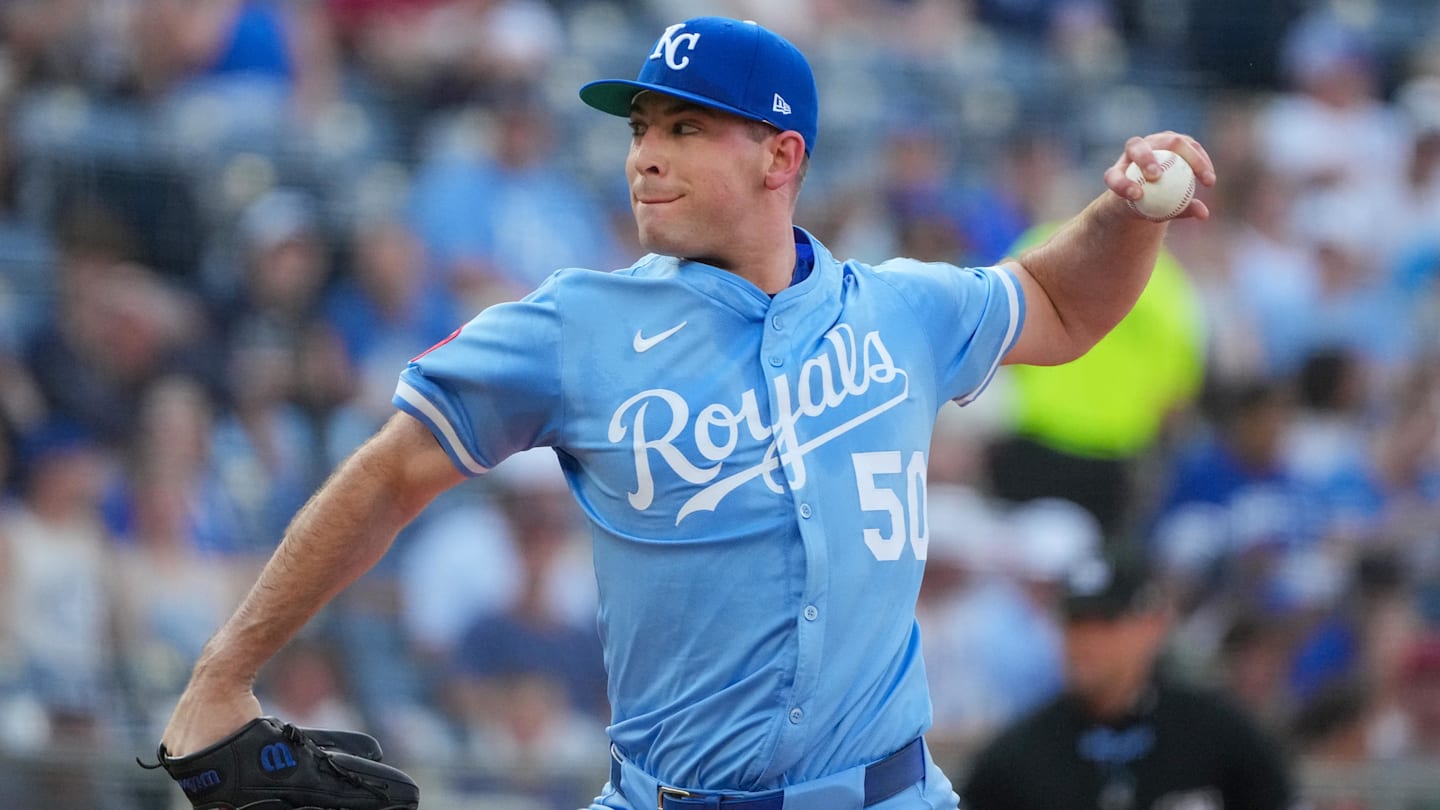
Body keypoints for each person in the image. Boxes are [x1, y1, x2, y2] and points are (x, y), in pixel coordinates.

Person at [158, 16, 1215, 810]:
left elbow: (1066, 300)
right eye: (641, 127)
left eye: (685, 126)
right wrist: (222, 676)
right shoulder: (575, 326)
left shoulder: (900, 311)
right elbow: (387, 475)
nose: (644, 153)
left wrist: (1123, 213)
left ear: (781, 155)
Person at [960, 553, 1293, 810]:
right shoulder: (1018, 755)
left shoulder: (1220, 736)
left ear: (1153, 626)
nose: (1087, 642)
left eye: (1106, 623)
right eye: (1075, 623)